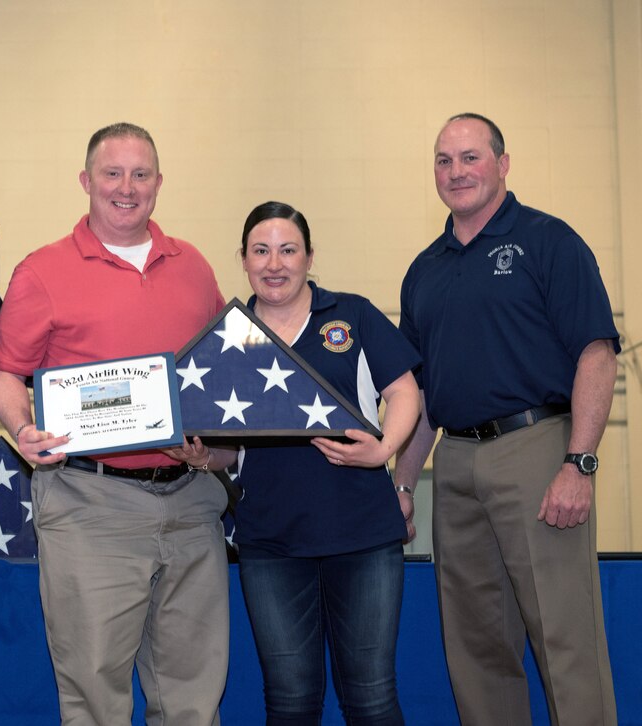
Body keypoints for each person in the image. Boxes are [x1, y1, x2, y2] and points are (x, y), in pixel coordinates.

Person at [0, 122, 231, 725]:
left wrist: (214, 452)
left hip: (190, 504)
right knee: (95, 694)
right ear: (86, 181)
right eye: (113, 173)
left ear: (158, 183)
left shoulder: (195, 267)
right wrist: (24, 432)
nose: (127, 188)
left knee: (193, 693)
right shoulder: (42, 271)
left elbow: (223, 378)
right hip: (88, 502)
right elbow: (5, 375)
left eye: (141, 174)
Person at [394, 113, 619, 725]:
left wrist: (580, 463)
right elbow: (417, 395)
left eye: (470, 157)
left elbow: (597, 355)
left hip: (538, 449)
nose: (456, 171)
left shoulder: (550, 242)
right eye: (444, 160)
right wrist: (405, 482)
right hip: (456, 463)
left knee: (564, 638)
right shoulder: (425, 270)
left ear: (502, 163)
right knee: (476, 645)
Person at [230, 201, 420, 725]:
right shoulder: (229, 336)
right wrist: (202, 459)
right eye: (261, 251)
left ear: (309, 257)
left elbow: (405, 393)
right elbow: (224, 444)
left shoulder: (352, 314)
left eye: (288, 250)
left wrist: (384, 449)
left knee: (372, 697)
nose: (275, 263)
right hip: (270, 539)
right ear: (243, 260)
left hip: (362, 532)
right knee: (290, 699)